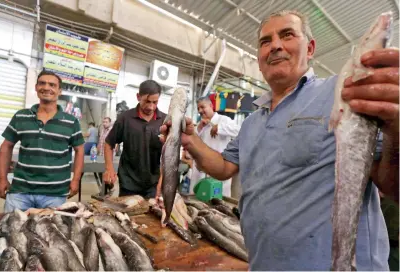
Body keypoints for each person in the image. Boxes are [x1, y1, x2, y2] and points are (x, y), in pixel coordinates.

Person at [159, 10, 399, 270]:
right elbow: (223, 167)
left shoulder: (343, 93)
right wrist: (190, 140)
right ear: (259, 59)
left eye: (287, 35)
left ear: (310, 48)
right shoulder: (253, 121)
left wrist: (396, 130)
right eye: (265, 41)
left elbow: (391, 185)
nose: (275, 45)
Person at [0, 70, 84, 212]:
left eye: (52, 85)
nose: (46, 88)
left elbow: (79, 150)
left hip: (55, 194)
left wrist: (75, 180)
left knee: (51, 233)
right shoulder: (21, 116)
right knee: (10, 231)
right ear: (36, 87)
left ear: (59, 91)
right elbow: (6, 147)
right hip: (20, 191)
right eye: (42, 83)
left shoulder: (71, 121)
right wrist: (2, 178)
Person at [103, 80, 166, 198]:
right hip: (128, 183)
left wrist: (162, 180)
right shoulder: (125, 118)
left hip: (153, 183)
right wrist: (109, 168)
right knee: (127, 215)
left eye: (155, 102)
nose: (151, 107)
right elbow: (108, 143)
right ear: (138, 97)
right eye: (147, 101)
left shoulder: (165, 120)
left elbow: (168, 155)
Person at [187, 96, 240, 197]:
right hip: (200, 171)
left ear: (211, 106)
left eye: (202, 107)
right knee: (198, 201)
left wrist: (219, 128)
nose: (200, 111)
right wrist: (199, 128)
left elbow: (239, 131)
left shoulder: (224, 120)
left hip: (219, 169)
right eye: (198, 108)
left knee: (217, 203)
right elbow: (192, 143)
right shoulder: (200, 124)